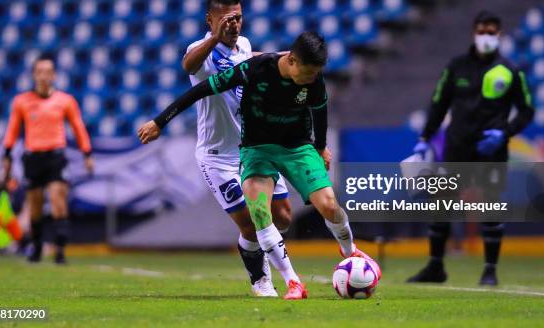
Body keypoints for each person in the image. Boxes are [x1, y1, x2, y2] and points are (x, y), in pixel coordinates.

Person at [138, 31, 380, 300]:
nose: (312, 79)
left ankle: (350, 251)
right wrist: (160, 121)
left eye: (316, 73)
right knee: (260, 215)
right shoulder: (255, 69)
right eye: (308, 73)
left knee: (328, 206)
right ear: (292, 60)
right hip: (257, 150)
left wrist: (320, 146)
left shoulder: (313, 78)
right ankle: (293, 283)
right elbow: (202, 89)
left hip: (297, 148)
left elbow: (320, 109)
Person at [407, 11, 534, 286]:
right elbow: (439, 103)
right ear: (473, 32)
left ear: (499, 34)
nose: (486, 36)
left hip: (492, 150)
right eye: (482, 30)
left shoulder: (511, 71)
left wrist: (504, 133)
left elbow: (527, 111)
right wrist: (425, 136)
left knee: (490, 208)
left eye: (491, 31)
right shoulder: (456, 67)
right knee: (441, 205)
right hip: (457, 147)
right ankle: (435, 267)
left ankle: (490, 271)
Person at [180, 0, 292, 297]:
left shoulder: (244, 45)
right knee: (252, 222)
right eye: (227, 19)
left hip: (251, 150)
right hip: (217, 157)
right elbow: (189, 66)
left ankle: (254, 249)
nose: (235, 24)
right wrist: (213, 38)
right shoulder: (200, 51)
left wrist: (280, 57)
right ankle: (261, 278)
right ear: (211, 20)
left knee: (283, 216)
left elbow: (247, 60)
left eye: (239, 18)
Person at [2, 56, 93, 264]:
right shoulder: (21, 102)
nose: (43, 76)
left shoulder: (65, 101)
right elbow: (12, 130)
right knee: (34, 206)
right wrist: (6, 155)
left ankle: (60, 250)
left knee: (57, 201)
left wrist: (87, 153)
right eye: (39, 71)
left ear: (53, 75)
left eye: (47, 72)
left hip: (55, 156)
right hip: (33, 157)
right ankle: (36, 247)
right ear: (34, 75)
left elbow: (78, 127)